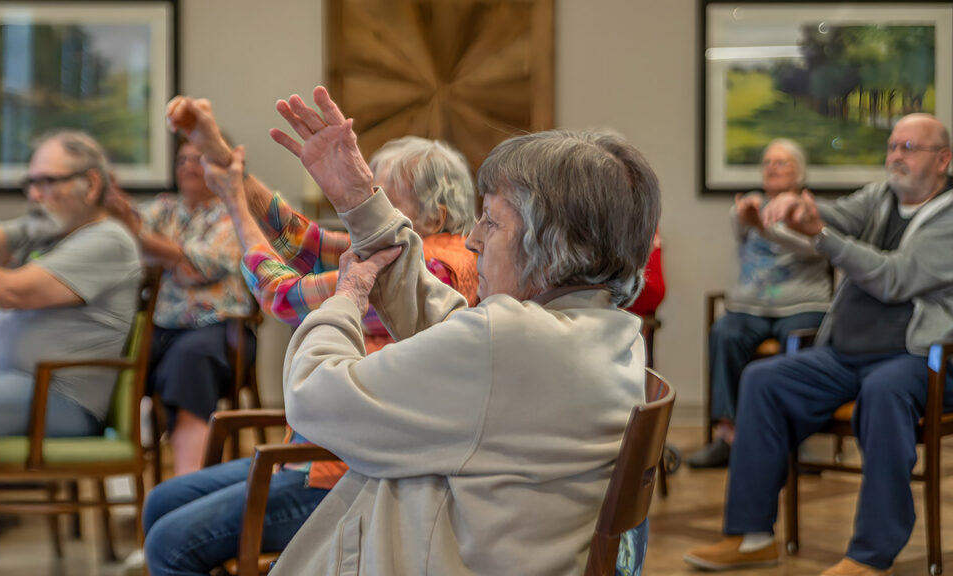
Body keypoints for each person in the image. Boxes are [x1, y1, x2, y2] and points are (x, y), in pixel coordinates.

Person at [256, 86, 657, 575]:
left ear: (550, 246)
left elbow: (313, 397)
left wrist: (346, 299)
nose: (472, 240)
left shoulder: (511, 343)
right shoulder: (603, 331)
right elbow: (451, 325)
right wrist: (361, 202)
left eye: (491, 223)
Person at [140, 98, 481, 575]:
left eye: (378, 197)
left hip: (348, 477)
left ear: (436, 216)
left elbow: (284, 297)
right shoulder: (404, 249)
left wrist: (234, 203)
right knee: (162, 503)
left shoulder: (435, 270)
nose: (362, 208)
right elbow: (303, 240)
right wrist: (220, 156)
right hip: (311, 458)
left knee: (170, 544)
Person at [684, 114, 953, 576]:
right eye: (891, 146)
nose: (895, 157)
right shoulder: (881, 197)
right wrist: (789, 207)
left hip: (916, 359)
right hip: (847, 354)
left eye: (909, 147)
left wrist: (820, 235)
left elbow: (895, 278)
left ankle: (870, 555)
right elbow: (835, 214)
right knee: (763, 379)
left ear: (943, 159)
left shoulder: (948, 218)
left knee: (884, 393)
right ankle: (751, 537)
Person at [0, 130, 142, 575]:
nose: (35, 194)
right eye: (31, 182)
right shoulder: (47, 229)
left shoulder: (108, 240)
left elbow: (13, 290)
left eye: (47, 182)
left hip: (57, 398)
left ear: (91, 185)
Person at [106, 138, 255, 476]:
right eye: (182, 159)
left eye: (198, 159)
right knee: (113, 348)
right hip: (160, 327)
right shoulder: (163, 208)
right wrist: (119, 209)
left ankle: (189, 478)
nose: (188, 165)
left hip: (219, 328)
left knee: (189, 360)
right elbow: (125, 231)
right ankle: (108, 465)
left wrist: (146, 241)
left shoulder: (233, 214)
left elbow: (206, 264)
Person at [687, 139, 832, 469]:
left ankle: (796, 438)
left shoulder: (811, 209)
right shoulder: (751, 206)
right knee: (724, 333)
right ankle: (728, 435)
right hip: (750, 307)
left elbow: (815, 248)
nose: (772, 167)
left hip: (802, 303)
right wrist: (744, 216)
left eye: (782, 162)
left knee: (801, 340)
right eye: (768, 162)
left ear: (800, 172)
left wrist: (763, 228)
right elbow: (738, 226)